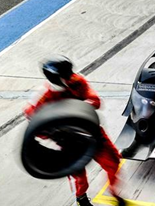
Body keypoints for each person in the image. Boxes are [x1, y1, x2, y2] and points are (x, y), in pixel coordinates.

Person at [24, 57, 125, 206]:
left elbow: (96, 101)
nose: (71, 76)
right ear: (56, 78)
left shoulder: (77, 81)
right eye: (66, 74)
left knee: (113, 162)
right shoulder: (43, 97)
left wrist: (79, 108)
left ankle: (114, 192)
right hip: (69, 141)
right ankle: (81, 199)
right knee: (78, 176)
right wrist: (53, 133)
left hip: (92, 132)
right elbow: (32, 120)